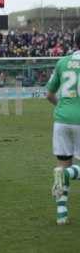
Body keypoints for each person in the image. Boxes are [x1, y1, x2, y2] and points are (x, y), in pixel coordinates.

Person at [48, 48, 80, 225]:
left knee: (63, 163)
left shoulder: (62, 62)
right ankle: (66, 174)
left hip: (62, 121)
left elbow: (49, 94)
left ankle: (62, 214)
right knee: (66, 171)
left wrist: (63, 109)